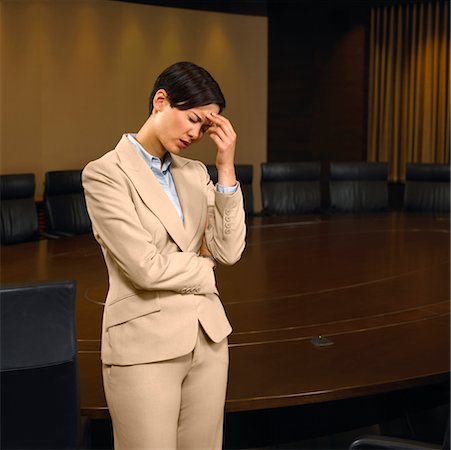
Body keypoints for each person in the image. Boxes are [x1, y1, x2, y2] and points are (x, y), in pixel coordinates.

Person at [82, 61, 246, 449]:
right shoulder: (105, 174)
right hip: (144, 347)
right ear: (161, 101)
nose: (195, 133)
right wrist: (205, 270)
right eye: (191, 119)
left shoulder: (195, 173)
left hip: (207, 339)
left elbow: (229, 249)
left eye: (205, 128)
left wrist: (225, 168)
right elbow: (145, 268)